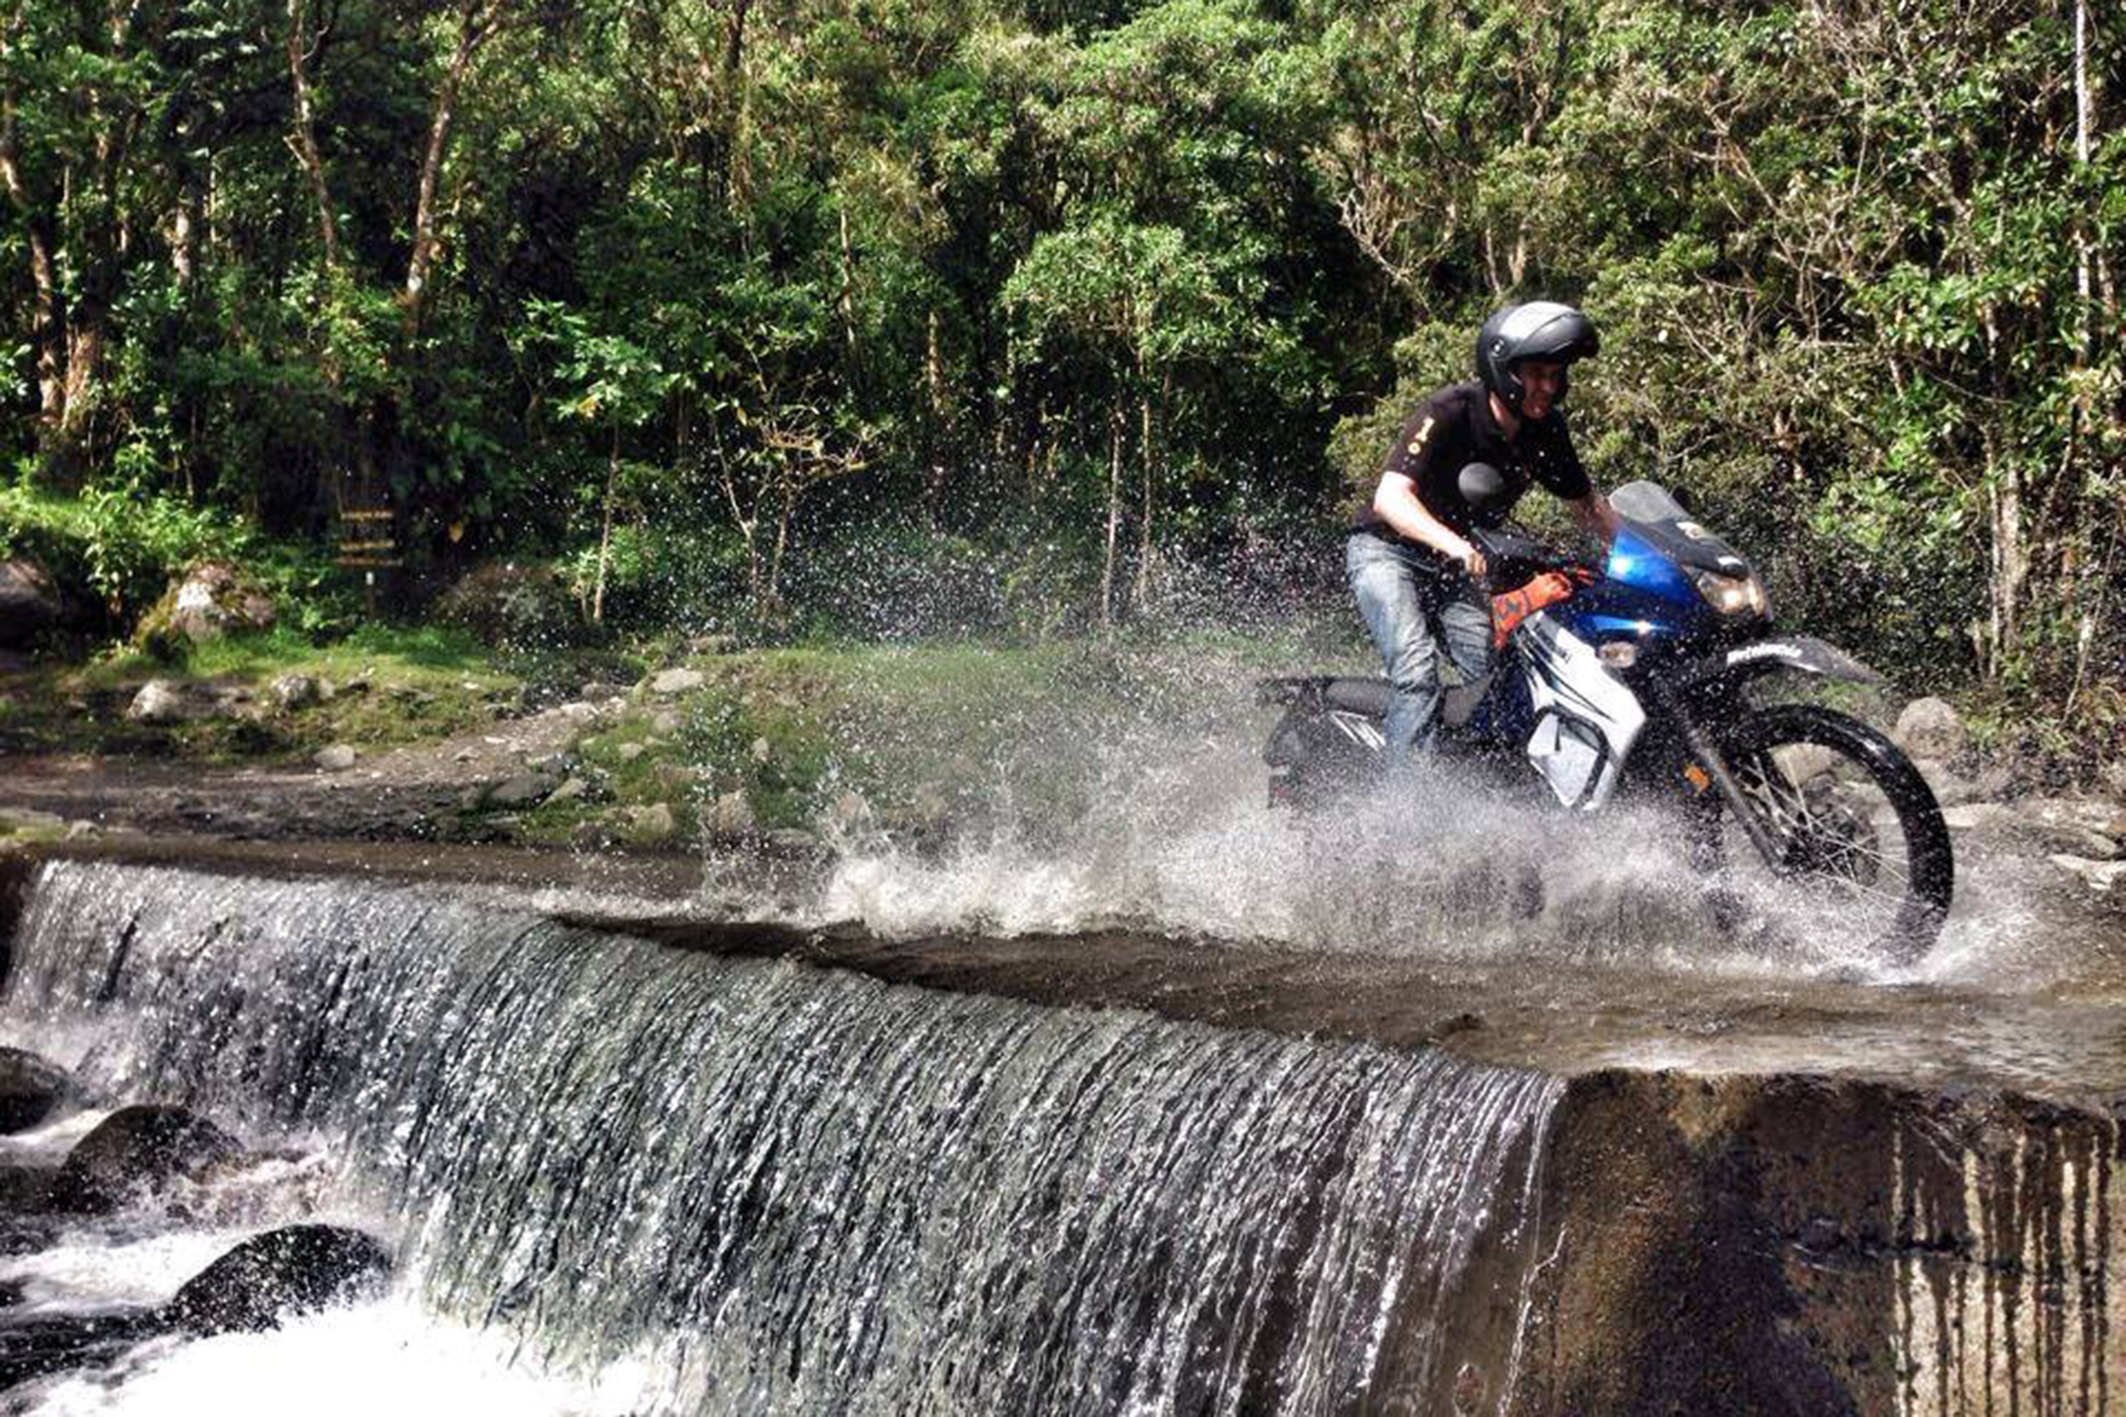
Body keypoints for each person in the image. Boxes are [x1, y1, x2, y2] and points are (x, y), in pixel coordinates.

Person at [1347, 300, 1622, 764]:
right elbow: (1390, 498)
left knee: (1494, 677)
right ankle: (1398, 811)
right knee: (1416, 673)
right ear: (1503, 369)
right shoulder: (1451, 410)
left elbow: (1589, 506)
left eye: (1556, 375)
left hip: (1452, 565)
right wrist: (1453, 543)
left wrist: (1643, 556)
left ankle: (1483, 786)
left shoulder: (1545, 430)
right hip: (1386, 552)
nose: (1547, 387)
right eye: (1536, 373)